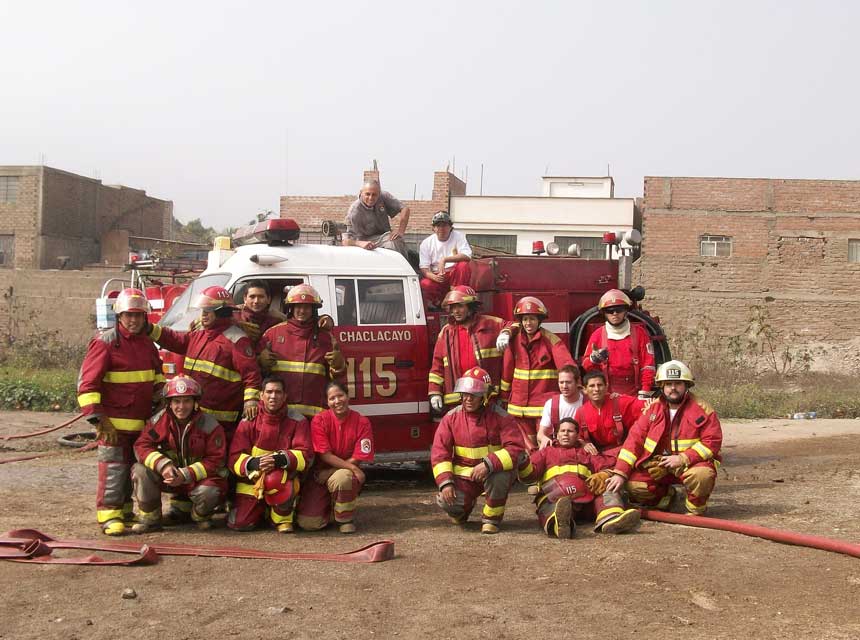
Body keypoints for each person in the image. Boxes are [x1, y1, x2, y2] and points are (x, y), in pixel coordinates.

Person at [77, 287, 164, 536]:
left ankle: (126, 512)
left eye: (138, 315)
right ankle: (109, 515)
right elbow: (87, 386)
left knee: (133, 470)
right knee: (113, 470)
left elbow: (157, 379)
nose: (134, 320)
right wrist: (99, 421)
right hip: (113, 425)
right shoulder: (105, 343)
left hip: (141, 424)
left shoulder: (148, 345)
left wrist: (161, 405)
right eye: (129, 315)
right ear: (119, 316)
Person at [604, 360, 722, 515]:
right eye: (668, 384)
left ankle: (695, 509)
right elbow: (634, 442)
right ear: (662, 387)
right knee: (635, 485)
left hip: (690, 465)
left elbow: (711, 442)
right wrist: (620, 473)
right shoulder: (652, 410)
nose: (673, 388)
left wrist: (683, 458)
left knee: (702, 476)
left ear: (687, 386)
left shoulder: (702, 410)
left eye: (678, 384)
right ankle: (668, 498)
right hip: (659, 466)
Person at [147, 285, 262, 444]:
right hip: (194, 413)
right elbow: (177, 340)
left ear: (221, 312)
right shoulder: (200, 333)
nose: (203, 315)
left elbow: (251, 375)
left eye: (208, 311)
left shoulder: (237, 340)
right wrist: (150, 329)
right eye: (202, 311)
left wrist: (251, 401)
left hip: (221, 420)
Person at [431, 367, 523, 534]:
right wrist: (446, 483)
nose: (468, 398)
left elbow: (515, 449)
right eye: (465, 394)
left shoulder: (501, 417)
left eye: (474, 395)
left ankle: (491, 519)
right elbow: (440, 454)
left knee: (500, 477)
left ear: (485, 396)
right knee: (445, 501)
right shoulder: (451, 418)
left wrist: (488, 464)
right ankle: (462, 510)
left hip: (492, 472)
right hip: (465, 477)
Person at [131, 375, 228, 532]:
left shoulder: (209, 425)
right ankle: (151, 520)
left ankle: (200, 516)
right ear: (169, 403)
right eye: (176, 401)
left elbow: (216, 460)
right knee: (140, 470)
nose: (181, 407)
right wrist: (163, 466)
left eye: (187, 401)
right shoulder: (159, 421)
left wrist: (184, 475)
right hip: (168, 477)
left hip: (196, 481)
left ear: (195, 402)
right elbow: (142, 445)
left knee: (211, 490)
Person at [517, 418, 641, 538]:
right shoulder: (546, 452)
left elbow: (605, 466)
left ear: (577, 435)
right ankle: (560, 526)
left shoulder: (586, 453)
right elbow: (529, 475)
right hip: (556, 497)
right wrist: (522, 462)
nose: (566, 434)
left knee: (608, 490)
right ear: (557, 435)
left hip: (586, 499)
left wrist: (604, 474)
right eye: (562, 431)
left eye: (570, 431)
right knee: (552, 507)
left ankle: (612, 520)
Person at [228, 377, 313, 533]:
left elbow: (306, 455)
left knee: (277, 480)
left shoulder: (298, 420)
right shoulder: (248, 420)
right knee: (240, 524)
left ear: (285, 396)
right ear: (261, 395)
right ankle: (263, 510)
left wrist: (278, 460)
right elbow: (234, 457)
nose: (273, 396)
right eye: (269, 392)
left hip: (282, 479)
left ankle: (281, 518)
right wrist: (255, 463)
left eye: (278, 392)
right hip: (252, 481)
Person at [296, 381, 374, 534]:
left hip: (341, 474)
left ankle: (345, 519)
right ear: (327, 402)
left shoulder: (362, 422)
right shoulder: (319, 420)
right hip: (319, 475)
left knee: (343, 478)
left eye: (340, 396)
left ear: (348, 396)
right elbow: (324, 455)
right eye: (332, 398)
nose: (337, 401)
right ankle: (331, 508)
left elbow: (358, 457)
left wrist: (333, 471)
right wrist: (352, 468)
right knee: (309, 524)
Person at [259, 284, 347, 419]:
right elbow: (256, 375)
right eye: (298, 306)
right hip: (281, 416)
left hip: (316, 416)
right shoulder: (272, 334)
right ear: (291, 308)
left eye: (307, 307)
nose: (302, 310)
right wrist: (260, 360)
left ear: (314, 309)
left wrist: (338, 365)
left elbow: (338, 380)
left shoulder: (326, 338)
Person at [499, 296, 575, 450]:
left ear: (539, 320)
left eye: (532, 319)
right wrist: (504, 398)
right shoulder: (513, 340)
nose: (528, 323)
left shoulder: (551, 340)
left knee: (546, 447)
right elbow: (507, 372)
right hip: (518, 408)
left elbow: (567, 367)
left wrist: (573, 393)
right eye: (525, 319)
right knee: (524, 449)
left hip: (543, 408)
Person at [428, 286, 505, 414]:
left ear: (471, 307)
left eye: (460, 306)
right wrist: (434, 392)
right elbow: (437, 366)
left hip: (485, 397)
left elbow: (514, 325)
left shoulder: (490, 324)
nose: (456, 311)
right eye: (453, 307)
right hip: (457, 400)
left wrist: (506, 333)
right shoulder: (446, 332)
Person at [581, 289, 655, 398]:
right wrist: (593, 360)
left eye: (618, 310)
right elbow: (586, 366)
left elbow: (648, 365)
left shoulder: (640, 333)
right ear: (604, 313)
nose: (614, 314)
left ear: (626, 311)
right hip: (605, 395)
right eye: (610, 311)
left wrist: (645, 391)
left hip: (635, 394)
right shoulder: (597, 335)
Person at [574, 370, 645, 456]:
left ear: (606, 386)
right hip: (597, 457)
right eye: (592, 386)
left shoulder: (621, 402)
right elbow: (575, 437)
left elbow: (650, 408)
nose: (596, 389)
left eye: (599, 385)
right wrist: (583, 444)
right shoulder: (581, 413)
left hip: (624, 453)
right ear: (584, 390)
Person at [343, 179, 410, 257]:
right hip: (365, 240)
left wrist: (400, 231)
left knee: (397, 239)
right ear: (361, 193)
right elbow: (345, 241)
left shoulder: (384, 196)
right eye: (367, 194)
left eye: (374, 195)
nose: (371, 198)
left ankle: (407, 265)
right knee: (392, 243)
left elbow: (405, 209)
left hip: (384, 236)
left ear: (379, 193)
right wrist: (360, 243)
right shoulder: (354, 211)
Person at [418, 211, 472, 308]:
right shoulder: (426, 243)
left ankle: (457, 297)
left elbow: (467, 256)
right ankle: (439, 304)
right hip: (438, 276)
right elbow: (424, 268)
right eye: (438, 226)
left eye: (444, 225)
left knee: (463, 265)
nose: (441, 229)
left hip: (454, 275)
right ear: (433, 228)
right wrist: (434, 277)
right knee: (425, 283)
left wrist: (444, 259)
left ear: (450, 227)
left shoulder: (458, 236)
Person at [536, 365, 585, 449]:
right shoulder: (551, 403)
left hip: (582, 448)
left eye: (568, 382)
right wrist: (544, 439)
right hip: (559, 448)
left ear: (577, 382)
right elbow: (541, 433)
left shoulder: (588, 402)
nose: (564, 386)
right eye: (561, 382)